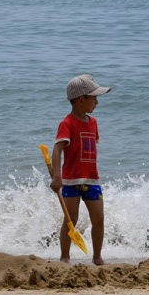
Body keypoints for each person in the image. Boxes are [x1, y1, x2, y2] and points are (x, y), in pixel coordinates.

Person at [50, 74, 111, 266]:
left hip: (92, 180)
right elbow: (57, 149)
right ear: (81, 100)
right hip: (71, 181)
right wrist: (57, 177)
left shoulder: (93, 123)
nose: (97, 103)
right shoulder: (67, 123)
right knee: (71, 220)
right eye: (94, 99)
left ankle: (97, 257)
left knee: (99, 218)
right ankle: (65, 257)